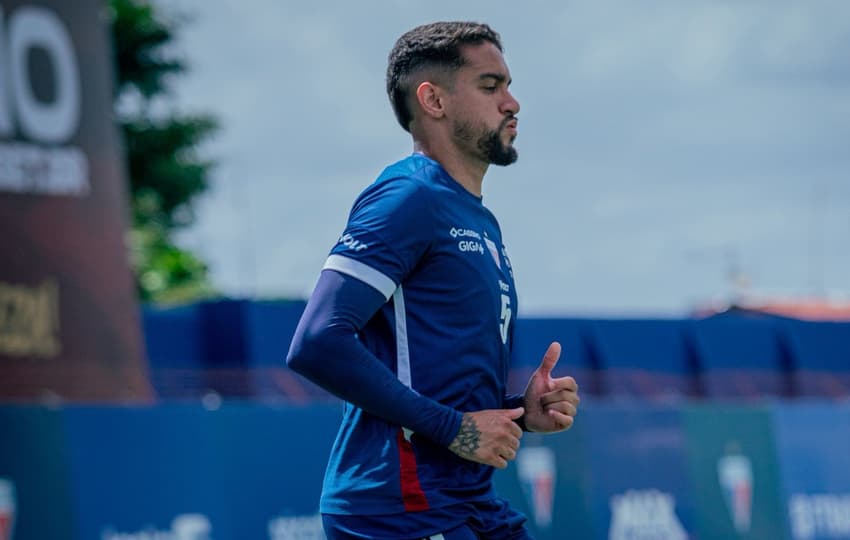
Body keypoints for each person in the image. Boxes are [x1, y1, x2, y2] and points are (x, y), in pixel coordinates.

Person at [286, 21, 580, 540]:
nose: (512, 103)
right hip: (399, 507)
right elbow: (317, 340)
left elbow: (431, 377)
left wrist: (519, 412)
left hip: (464, 500)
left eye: (508, 86)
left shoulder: (478, 218)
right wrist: (455, 429)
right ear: (434, 100)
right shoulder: (408, 198)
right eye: (490, 86)